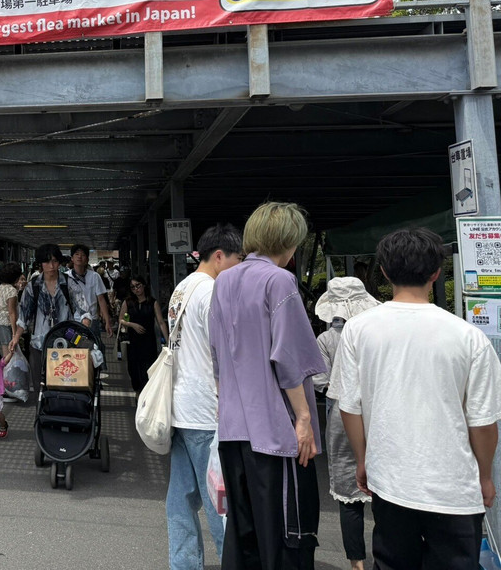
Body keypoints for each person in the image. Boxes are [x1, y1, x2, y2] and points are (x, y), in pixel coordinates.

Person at [333, 228, 501, 568]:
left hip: (390, 481)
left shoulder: (358, 330)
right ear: (436, 272)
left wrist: (362, 460)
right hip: (453, 489)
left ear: (383, 271)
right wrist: (484, 476)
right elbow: (482, 422)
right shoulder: (469, 337)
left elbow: (350, 407)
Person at [209, 201, 327, 569]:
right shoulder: (280, 281)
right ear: (290, 243)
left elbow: (216, 354)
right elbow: (288, 357)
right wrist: (304, 418)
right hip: (274, 433)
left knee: (245, 533)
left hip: (232, 429)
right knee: (285, 534)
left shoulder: (224, 280)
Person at [165, 224, 243, 570]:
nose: (238, 270)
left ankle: (183, 564)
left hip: (180, 408)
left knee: (181, 500)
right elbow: (224, 352)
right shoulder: (212, 292)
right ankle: (231, 562)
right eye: (237, 261)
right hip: (206, 411)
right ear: (219, 256)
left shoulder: (180, 289)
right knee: (219, 503)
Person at [313, 277, 379, 570]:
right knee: (383, 489)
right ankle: (386, 554)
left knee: (348, 491)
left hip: (340, 413)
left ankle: (357, 563)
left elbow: (319, 380)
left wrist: (334, 389)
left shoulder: (326, 339)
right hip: (377, 412)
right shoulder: (377, 332)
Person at [11, 243, 73, 389]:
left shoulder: (69, 284)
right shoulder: (33, 286)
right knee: (40, 384)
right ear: (41, 263)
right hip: (39, 343)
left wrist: (83, 332)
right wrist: (16, 337)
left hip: (65, 343)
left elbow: (82, 311)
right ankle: (42, 409)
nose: (51, 265)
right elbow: (24, 316)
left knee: (64, 384)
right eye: (47, 261)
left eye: (55, 261)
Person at [119, 274, 167, 394]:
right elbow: (121, 319)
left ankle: (145, 396)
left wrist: (168, 340)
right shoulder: (128, 302)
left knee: (148, 369)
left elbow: (161, 322)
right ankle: (138, 393)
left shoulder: (152, 302)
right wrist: (132, 325)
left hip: (148, 342)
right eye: (133, 287)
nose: (136, 289)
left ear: (144, 285)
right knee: (134, 370)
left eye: (138, 286)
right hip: (133, 342)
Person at [65, 243, 115, 342]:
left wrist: (107, 321)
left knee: (94, 348)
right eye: (77, 254)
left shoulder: (94, 276)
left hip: (92, 320)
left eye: (83, 255)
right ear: (72, 258)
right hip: (72, 321)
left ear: (87, 259)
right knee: (74, 350)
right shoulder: (65, 277)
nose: (80, 257)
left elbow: (101, 299)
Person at [0, 262, 23, 349]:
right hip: (6, 324)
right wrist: (15, 333)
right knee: (9, 354)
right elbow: (12, 312)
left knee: (6, 352)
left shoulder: (1, 287)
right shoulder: (12, 291)